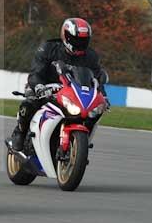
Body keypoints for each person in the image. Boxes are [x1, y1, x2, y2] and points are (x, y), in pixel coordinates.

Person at [6, 17, 108, 156]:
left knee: (95, 111)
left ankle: (80, 143)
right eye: (76, 40)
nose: (79, 44)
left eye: (83, 41)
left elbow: (96, 79)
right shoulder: (48, 48)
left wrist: (103, 95)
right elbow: (36, 72)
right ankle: (20, 132)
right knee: (29, 103)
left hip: (72, 94)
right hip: (45, 87)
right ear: (65, 36)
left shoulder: (91, 56)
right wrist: (39, 86)